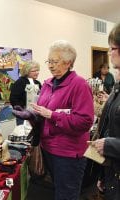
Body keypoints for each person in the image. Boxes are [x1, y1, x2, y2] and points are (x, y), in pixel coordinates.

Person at [31, 40, 94, 200]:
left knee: (66, 195)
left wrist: (52, 115)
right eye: (49, 61)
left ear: (68, 63)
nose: (50, 65)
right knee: (59, 192)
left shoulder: (79, 85)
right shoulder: (48, 83)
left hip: (68, 154)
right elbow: (42, 111)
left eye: (55, 61)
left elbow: (85, 121)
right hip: (49, 149)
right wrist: (32, 115)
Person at [91, 22, 120, 200]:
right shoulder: (116, 86)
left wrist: (109, 145)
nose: (109, 53)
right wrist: (103, 174)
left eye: (112, 48)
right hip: (113, 173)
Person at [9, 60, 42, 125]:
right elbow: (13, 99)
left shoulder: (38, 83)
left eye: (37, 70)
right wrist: (22, 110)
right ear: (27, 72)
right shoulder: (20, 82)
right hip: (23, 115)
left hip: (36, 114)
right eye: (34, 71)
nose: (37, 73)